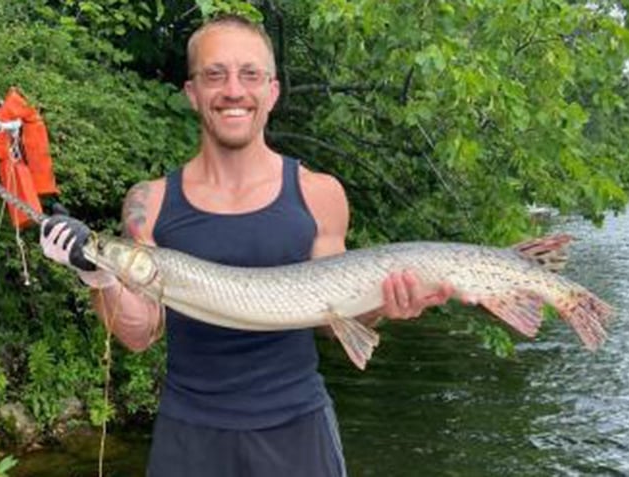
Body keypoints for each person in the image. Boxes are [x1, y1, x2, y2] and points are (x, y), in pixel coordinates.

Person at [40, 14, 454, 477]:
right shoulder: (150, 202)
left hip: (297, 431)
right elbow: (139, 333)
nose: (233, 90)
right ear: (192, 92)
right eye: (214, 75)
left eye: (250, 74)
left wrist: (384, 305)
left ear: (272, 91)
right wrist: (95, 274)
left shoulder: (319, 192)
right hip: (190, 435)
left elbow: (339, 317)